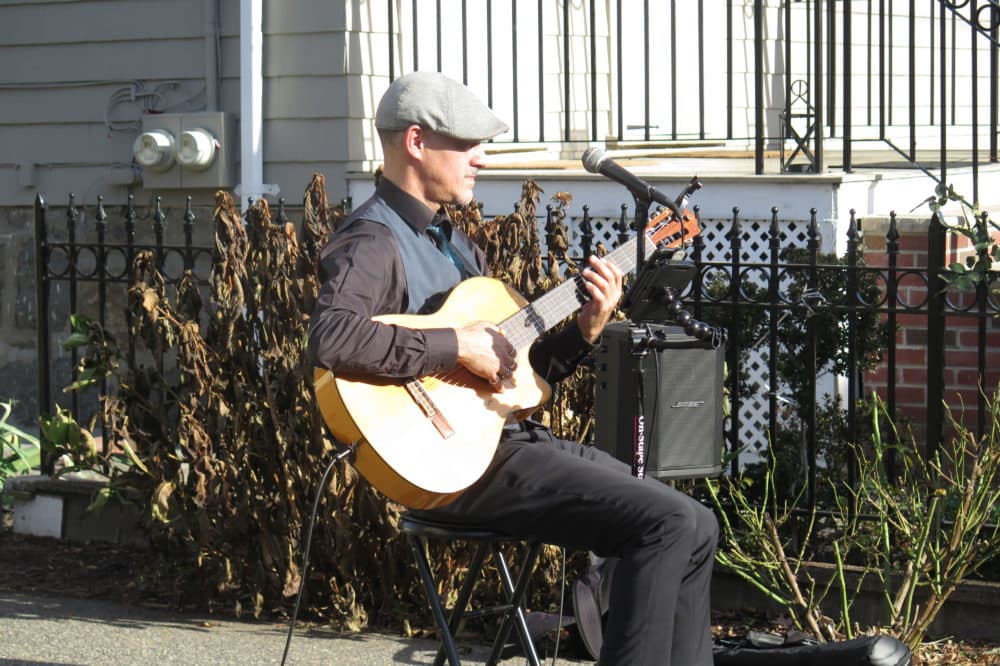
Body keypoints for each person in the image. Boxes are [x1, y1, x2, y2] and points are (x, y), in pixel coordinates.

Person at [308, 71, 718, 665]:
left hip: (503, 440)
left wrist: (586, 329)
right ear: (417, 143)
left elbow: (519, 379)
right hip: (452, 464)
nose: (481, 158)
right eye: (467, 143)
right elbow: (333, 338)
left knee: (698, 524)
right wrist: (455, 346)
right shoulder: (373, 241)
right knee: (665, 523)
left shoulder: (458, 248)